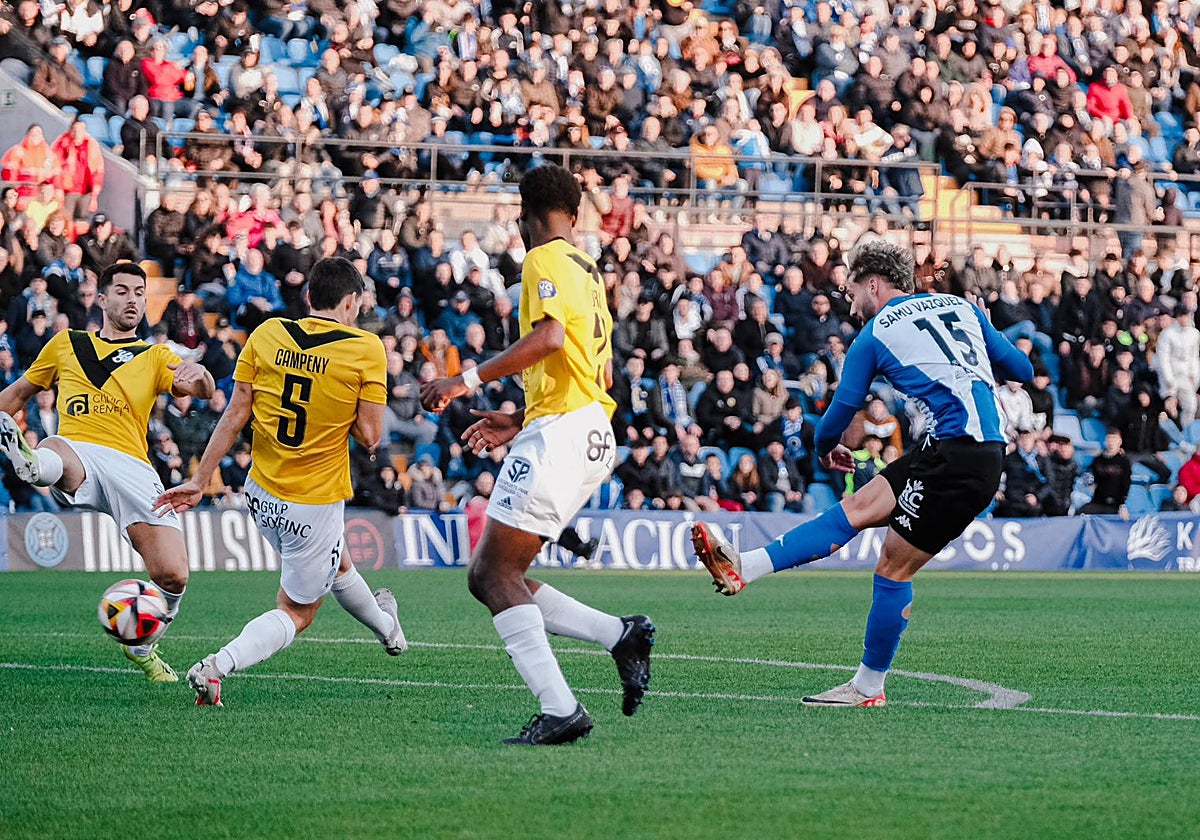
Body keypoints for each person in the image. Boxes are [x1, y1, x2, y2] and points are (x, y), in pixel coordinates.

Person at [690, 241, 1033, 707]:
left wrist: (824, 448)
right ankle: (745, 567)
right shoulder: (960, 307)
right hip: (961, 446)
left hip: (958, 455)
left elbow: (839, 411)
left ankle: (869, 687)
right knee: (857, 507)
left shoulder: (874, 334)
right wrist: (985, 331)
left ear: (873, 282)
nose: (848, 299)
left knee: (893, 566)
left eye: (851, 286)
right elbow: (1023, 369)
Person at [419, 164, 654, 746]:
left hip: (565, 433)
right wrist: (520, 417)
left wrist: (464, 380)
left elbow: (548, 338)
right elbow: (576, 364)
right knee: (499, 573)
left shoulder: (544, 257)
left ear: (526, 214)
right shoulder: (588, 268)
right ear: (575, 214)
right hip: (587, 428)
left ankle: (562, 709)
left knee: (492, 574)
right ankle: (618, 634)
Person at [152, 258, 407, 707]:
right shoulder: (366, 348)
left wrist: (199, 480)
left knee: (339, 562)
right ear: (352, 301)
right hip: (312, 500)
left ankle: (389, 629)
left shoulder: (267, 334)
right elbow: (370, 436)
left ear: (309, 297)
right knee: (298, 611)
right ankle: (217, 666)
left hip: (261, 493)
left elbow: (235, 413)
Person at [0, 262, 216, 681]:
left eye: (139, 291)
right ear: (102, 299)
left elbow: (202, 391)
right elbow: (19, 392)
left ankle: (144, 645)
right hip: (78, 452)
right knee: (54, 452)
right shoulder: (67, 344)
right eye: (122, 290)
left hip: (133, 466)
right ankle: (32, 464)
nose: (132, 298)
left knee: (174, 574)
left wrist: (202, 376)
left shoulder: (155, 355)